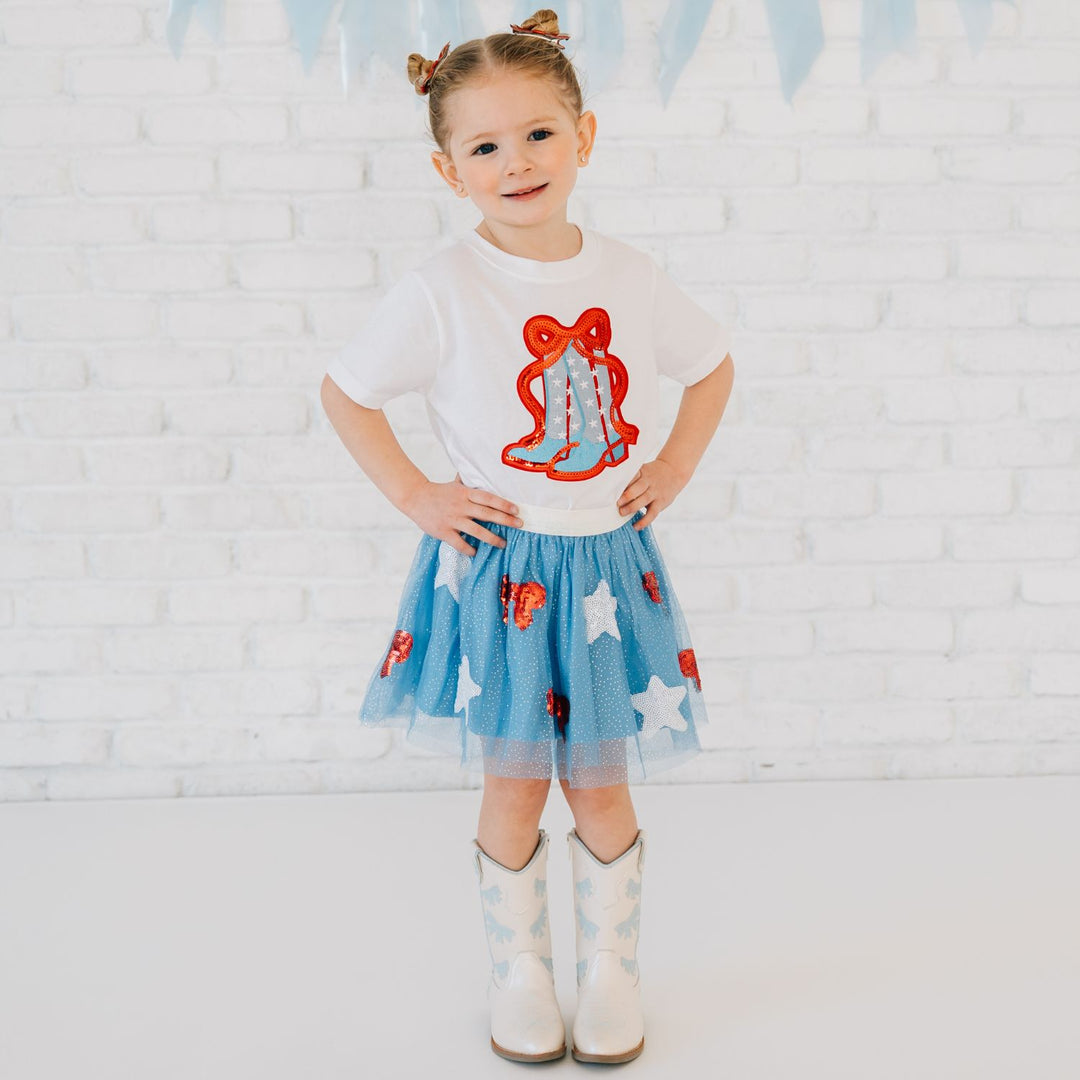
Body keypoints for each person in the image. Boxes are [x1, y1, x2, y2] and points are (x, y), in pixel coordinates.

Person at [320, 7, 735, 1066]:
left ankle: (610, 977)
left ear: (584, 136)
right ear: (448, 167)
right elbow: (348, 393)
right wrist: (419, 494)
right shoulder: (443, 288)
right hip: (502, 572)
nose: (518, 162)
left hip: (605, 564)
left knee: (599, 778)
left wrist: (676, 465)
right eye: (486, 146)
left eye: (539, 134)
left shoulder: (631, 276)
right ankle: (521, 975)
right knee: (513, 781)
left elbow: (712, 365)